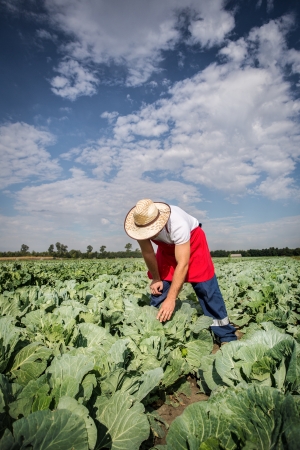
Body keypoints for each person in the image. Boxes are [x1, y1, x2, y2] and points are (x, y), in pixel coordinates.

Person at [124, 199, 237, 343]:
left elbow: (183, 263)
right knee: (160, 289)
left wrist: (171, 299)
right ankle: (158, 333)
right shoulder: (139, 226)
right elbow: (148, 253)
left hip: (193, 243)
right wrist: (156, 278)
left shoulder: (178, 224)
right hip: (166, 249)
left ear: (159, 222)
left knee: (206, 289)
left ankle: (225, 334)